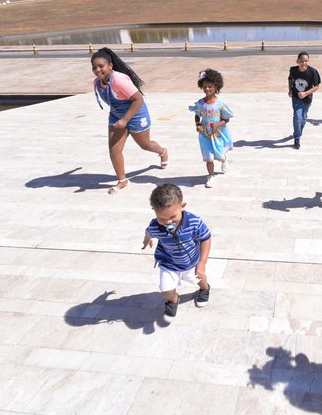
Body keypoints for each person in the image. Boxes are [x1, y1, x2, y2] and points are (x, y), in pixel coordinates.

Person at [91, 47, 168, 194]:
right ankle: (122, 180)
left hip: (136, 112)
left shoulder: (119, 80)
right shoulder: (98, 82)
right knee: (114, 149)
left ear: (110, 66)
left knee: (145, 145)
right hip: (116, 114)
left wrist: (125, 120)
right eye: (94, 67)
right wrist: (119, 119)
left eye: (101, 66)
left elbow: (138, 99)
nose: (97, 70)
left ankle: (163, 151)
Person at [142, 184, 212, 323]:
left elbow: (206, 238)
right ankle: (173, 300)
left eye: (173, 217)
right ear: (154, 211)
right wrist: (146, 240)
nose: (168, 222)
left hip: (192, 262)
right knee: (165, 289)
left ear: (182, 206)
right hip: (169, 263)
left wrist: (202, 263)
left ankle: (205, 289)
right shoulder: (155, 226)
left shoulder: (193, 222)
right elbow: (148, 232)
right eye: (162, 218)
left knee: (199, 278)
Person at [192, 69, 234, 188]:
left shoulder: (220, 104)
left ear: (216, 86)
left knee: (219, 154)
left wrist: (218, 124)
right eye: (204, 87)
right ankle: (211, 176)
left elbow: (226, 119)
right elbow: (197, 114)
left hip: (217, 134)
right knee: (208, 157)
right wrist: (197, 124)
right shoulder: (200, 103)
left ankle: (224, 159)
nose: (207, 89)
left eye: (210, 86)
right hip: (205, 135)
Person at [288, 51, 321, 149]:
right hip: (296, 97)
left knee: (304, 117)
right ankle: (297, 137)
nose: (303, 63)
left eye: (306, 61)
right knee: (297, 117)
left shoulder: (313, 72)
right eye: (301, 61)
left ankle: (298, 131)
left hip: (307, 98)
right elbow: (290, 79)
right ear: (297, 61)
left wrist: (305, 93)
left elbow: (317, 86)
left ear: (308, 61)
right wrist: (290, 90)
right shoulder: (293, 70)